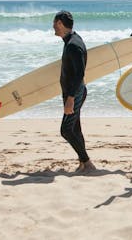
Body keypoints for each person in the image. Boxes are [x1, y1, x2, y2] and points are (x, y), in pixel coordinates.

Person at [53, 10, 96, 173]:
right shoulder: (71, 40)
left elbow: (80, 73)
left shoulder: (73, 45)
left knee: (66, 130)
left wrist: (70, 98)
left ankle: (87, 161)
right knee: (75, 129)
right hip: (73, 92)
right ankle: (83, 163)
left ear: (59, 24)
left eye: (54, 24)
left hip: (75, 93)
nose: (53, 28)